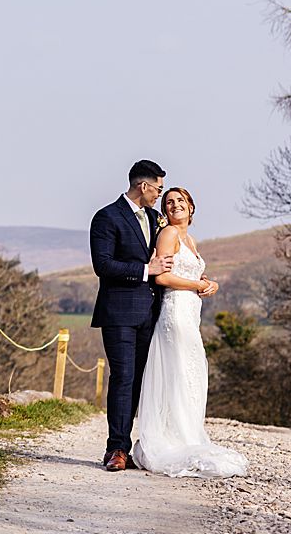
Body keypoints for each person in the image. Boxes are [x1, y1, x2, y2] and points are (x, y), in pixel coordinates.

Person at [132, 188, 247, 477]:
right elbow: (163, 276)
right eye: (169, 202)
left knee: (190, 374)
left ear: (191, 207)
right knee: (180, 373)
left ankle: (189, 434)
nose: (174, 205)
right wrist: (197, 286)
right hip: (175, 314)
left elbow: (191, 274)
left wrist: (208, 283)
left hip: (190, 313)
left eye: (180, 201)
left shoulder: (190, 239)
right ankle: (176, 438)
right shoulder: (168, 234)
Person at [89, 159, 177, 472]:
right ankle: (116, 450)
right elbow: (103, 265)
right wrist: (145, 270)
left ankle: (142, 448)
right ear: (143, 185)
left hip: (151, 314)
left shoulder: (156, 219)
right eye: (158, 188)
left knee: (142, 381)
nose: (159, 195)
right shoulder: (106, 217)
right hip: (118, 313)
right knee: (123, 378)